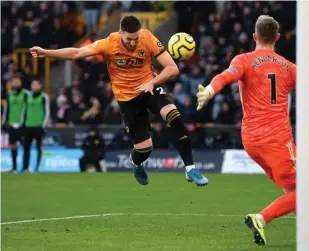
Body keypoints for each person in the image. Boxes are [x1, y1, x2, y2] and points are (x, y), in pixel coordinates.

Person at [196, 15, 309, 245]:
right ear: (278, 38)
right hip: (276, 139)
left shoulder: (243, 59)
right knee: (307, 186)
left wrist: (210, 91)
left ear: (255, 36)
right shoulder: (289, 67)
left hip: (250, 140)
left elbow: (225, 77)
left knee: (293, 188)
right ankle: (261, 217)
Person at [29, 15, 208, 186]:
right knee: (145, 148)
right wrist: (46, 52)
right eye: (129, 39)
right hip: (127, 98)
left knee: (174, 115)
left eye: (135, 38)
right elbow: (77, 53)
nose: (133, 42)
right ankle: (136, 164)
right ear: (121, 33)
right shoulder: (109, 43)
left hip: (150, 87)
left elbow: (172, 68)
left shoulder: (147, 38)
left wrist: (152, 82)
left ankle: (190, 168)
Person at [2, 77, 29, 173]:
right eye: (14, 82)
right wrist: (4, 122)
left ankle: (25, 168)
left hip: (22, 125)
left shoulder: (25, 94)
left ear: (20, 83)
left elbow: (27, 109)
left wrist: (24, 122)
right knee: (13, 147)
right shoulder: (9, 95)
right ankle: (14, 168)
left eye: (17, 82)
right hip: (12, 125)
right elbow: (6, 110)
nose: (15, 83)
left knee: (25, 146)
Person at [22, 80, 50, 173]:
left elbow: (47, 111)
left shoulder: (44, 97)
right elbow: (24, 110)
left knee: (39, 147)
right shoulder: (28, 96)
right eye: (32, 85)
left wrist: (43, 125)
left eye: (36, 85)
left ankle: (37, 167)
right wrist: (23, 123)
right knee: (26, 148)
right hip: (28, 125)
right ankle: (25, 168)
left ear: (40, 86)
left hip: (38, 126)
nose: (34, 86)